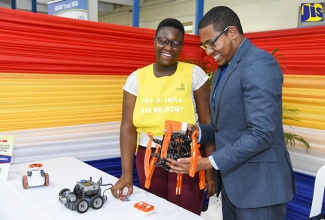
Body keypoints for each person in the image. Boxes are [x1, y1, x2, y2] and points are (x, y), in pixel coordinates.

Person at [167, 6, 296, 220]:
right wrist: (198, 131)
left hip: (260, 191)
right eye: (204, 45)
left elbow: (261, 134)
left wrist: (209, 162)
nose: (208, 51)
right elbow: (225, 127)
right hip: (232, 187)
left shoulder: (258, 64)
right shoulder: (220, 73)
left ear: (232, 33)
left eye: (211, 43)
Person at [111, 18, 216, 215]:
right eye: (163, 40)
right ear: (154, 41)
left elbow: (207, 123)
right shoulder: (136, 79)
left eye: (176, 43)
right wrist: (126, 174)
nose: (169, 47)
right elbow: (127, 128)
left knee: (185, 213)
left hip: (186, 157)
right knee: (154, 212)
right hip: (149, 156)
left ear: (182, 46)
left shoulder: (195, 75)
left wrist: (211, 171)